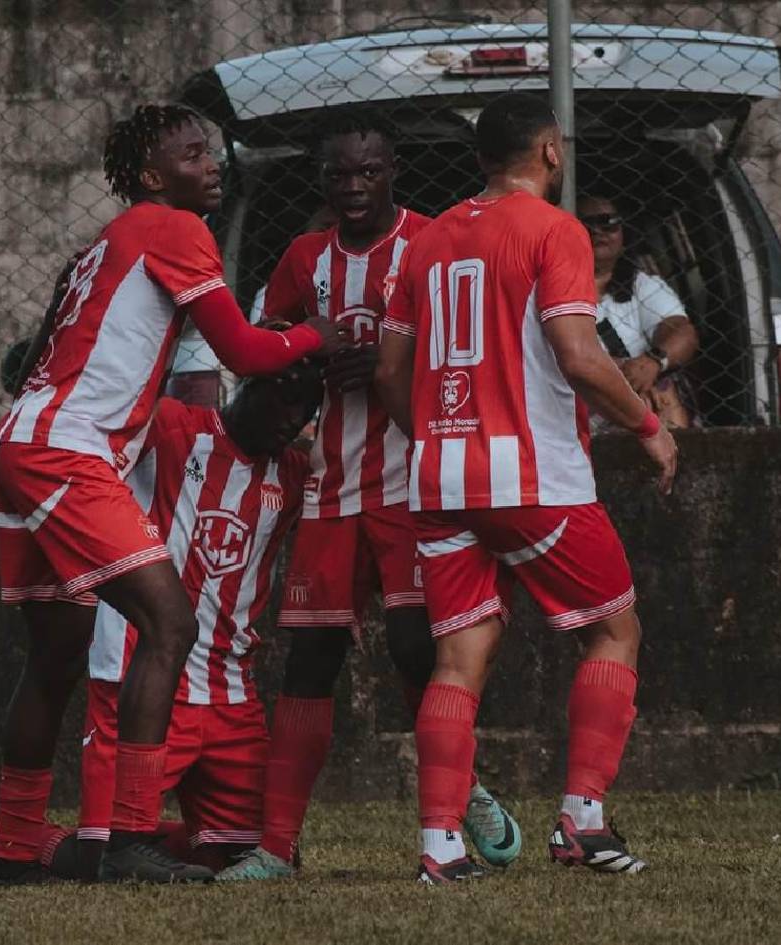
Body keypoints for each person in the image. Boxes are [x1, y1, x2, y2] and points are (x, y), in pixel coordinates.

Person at [0, 104, 345, 886]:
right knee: (168, 618)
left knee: (54, 652)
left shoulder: (98, 247)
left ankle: (14, 845)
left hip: (20, 438)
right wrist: (318, 333)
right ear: (152, 177)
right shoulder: (175, 227)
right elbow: (243, 348)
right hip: (68, 449)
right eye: (190, 154)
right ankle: (132, 838)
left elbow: (44, 350)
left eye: (210, 151)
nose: (210, 164)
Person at [376, 93, 677, 884]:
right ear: (550, 151)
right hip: (532, 474)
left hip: (438, 475)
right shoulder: (554, 230)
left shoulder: (429, 238)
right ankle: (581, 820)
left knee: (459, 655)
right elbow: (577, 355)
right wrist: (648, 428)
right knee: (614, 629)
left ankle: (440, 846)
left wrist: (440, 442)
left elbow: (388, 371)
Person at [218, 121, 520, 883]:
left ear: (393, 173)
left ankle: (457, 806)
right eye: (338, 175)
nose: (352, 187)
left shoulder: (432, 242)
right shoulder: (304, 258)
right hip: (330, 490)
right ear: (323, 181)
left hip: (414, 486)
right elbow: (270, 342)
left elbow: (465, 345)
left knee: (421, 653)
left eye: (368, 172)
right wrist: (309, 353)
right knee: (310, 661)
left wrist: (394, 360)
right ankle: (277, 848)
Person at [0, 364, 322, 884]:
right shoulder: (171, 425)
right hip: (141, 678)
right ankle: (27, 841)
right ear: (249, 380)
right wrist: (40, 362)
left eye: (307, 409)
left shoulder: (292, 474)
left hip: (230, 693)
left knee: (241, 858)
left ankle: (139, 841)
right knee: (103, 865)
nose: (294, 419)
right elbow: (91, 405)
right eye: (285, 399)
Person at [577, 194, 701, 428]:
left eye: (608, 222)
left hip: (637, 405)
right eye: (586, 224)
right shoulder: (544, 291)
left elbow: (682, 333)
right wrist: (614, 372)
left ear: (625, 233)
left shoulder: (643, 286)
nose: (597, 231)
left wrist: (653, 363)